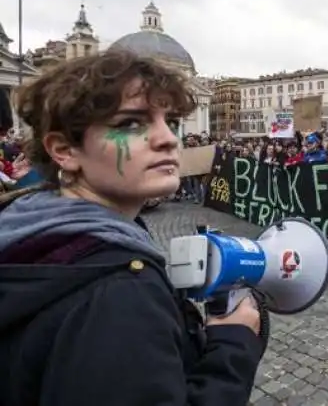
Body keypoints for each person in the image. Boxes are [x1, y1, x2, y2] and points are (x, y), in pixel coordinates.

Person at [0, 51, 266, 406]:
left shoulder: (27, 228)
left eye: (169, 121)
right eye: (130, 123)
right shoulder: (117, 291)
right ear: (64, 150)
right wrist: (233, 344)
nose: (169, 139)